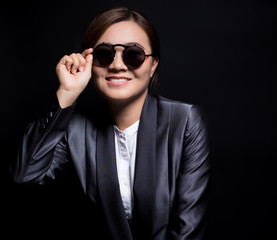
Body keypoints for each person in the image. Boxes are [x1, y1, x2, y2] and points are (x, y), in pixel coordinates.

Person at [10, 6, 210, 240]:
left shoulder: (185, 122)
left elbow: (187, 229)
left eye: (133, 54)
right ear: (89, 61)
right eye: (104, 54)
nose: (116, 65)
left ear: (153, 64)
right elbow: (24, 176)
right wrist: (67, 93)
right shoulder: (75, 129)